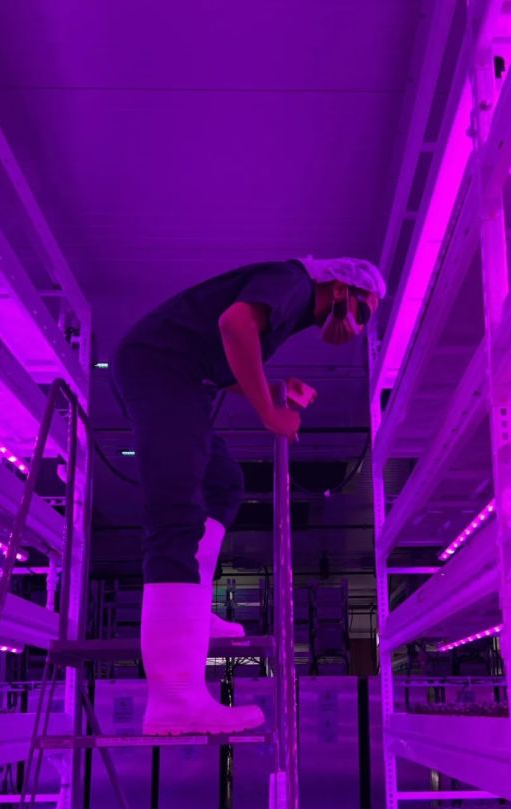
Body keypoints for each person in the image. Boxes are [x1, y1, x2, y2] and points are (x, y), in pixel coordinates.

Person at [111, 256, 386, 735]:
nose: (359, 328)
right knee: (175, 514)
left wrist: (273, 387)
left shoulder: (293, 304)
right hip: (161, 372)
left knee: (223, 484)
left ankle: (190, 606)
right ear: (341, 289)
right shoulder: (293, 283)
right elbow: (235, 326)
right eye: (364, 312)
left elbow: (228, 351)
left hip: (181, 378)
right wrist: (269, 412)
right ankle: (174, 700)